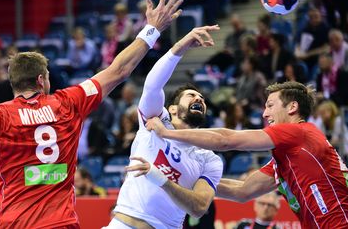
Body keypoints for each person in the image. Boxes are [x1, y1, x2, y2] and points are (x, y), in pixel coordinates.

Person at [0, 0, 183, 228]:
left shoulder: (0, 115)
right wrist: (151, 30)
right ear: (42, 80)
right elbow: (119, 70)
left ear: (13, 83)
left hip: (14, 223)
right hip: (61, 223)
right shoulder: (68, 102)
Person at [146, 81, 348, 228]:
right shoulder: (287, 157)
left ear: (292, 107)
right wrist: (188, 178)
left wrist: (168, 133)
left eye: (270, 106)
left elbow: (227, 139)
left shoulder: (299, 132)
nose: (264, 114)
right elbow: (242, 190)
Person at [105, 25, 223, 229]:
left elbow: (199, 207)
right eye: (192, 95)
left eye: (202, 98)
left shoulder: (209, 158)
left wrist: (161, 180)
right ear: (173, 109)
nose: (199, 98)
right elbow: (152, 85)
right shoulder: (155, 120)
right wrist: (180, 47)